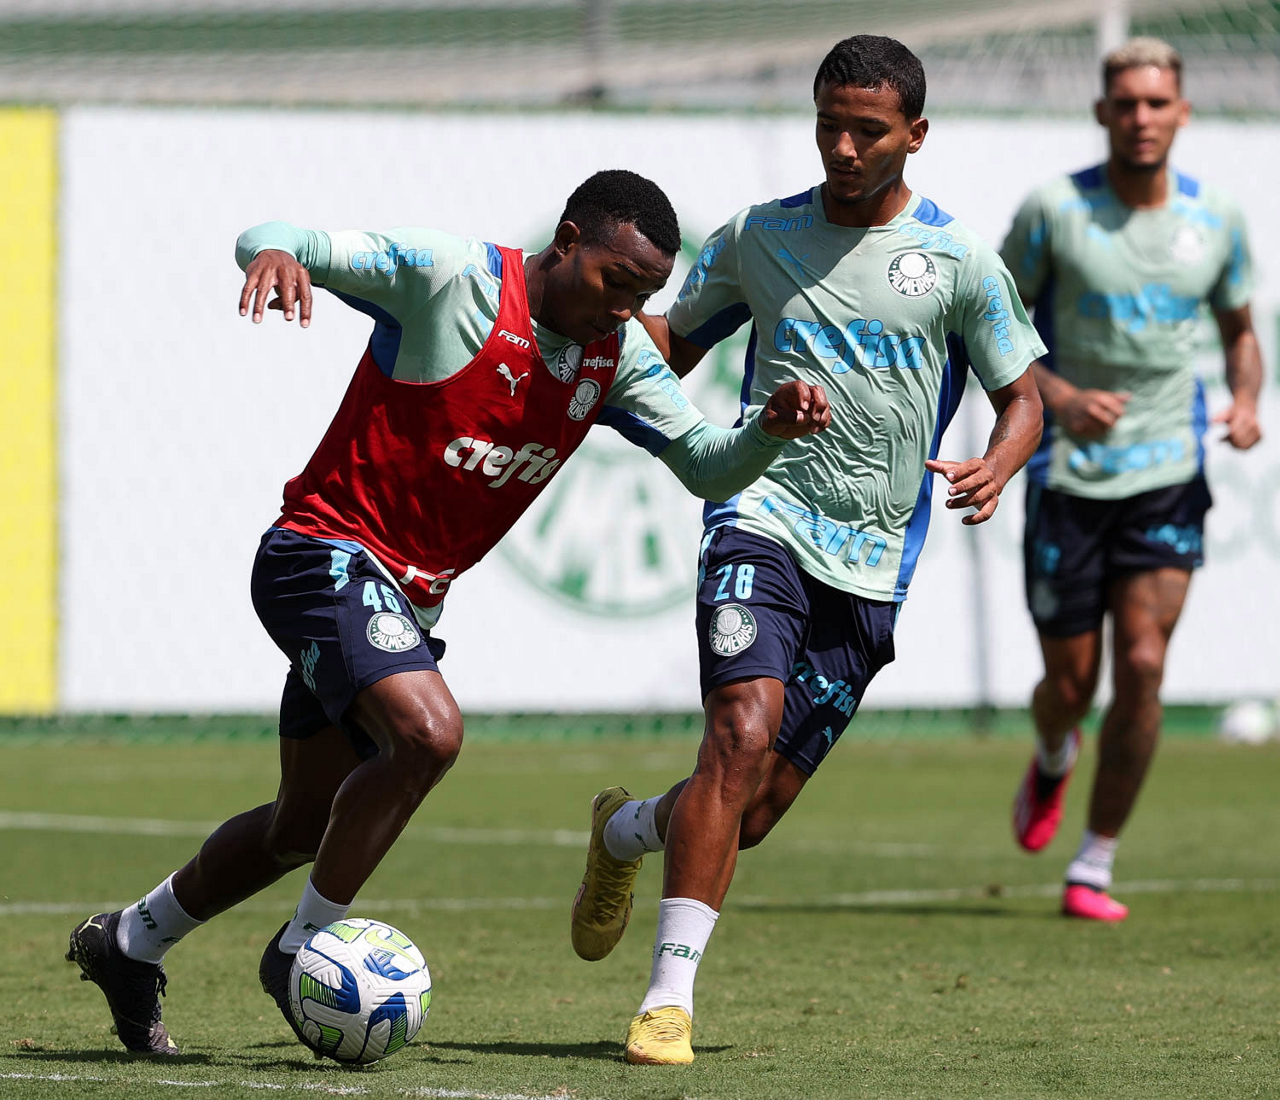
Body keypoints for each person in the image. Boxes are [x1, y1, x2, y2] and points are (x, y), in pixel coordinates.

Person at [64, 169, 832, 1058]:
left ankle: (129, 942)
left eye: (644, 295)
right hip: (320, 554)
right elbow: (282, 236)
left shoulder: (614, 354)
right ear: (568, 240)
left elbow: (704, 463)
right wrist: (272, 251)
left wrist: (766, 431)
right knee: (429, 734)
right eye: (614, 282)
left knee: (301, 826)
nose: (625, 310)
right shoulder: (451, 279)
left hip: (403, 602)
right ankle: (303, 949)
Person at [568, 38, 1046, 1065]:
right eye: (829, 124)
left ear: (915, 135)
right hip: (760, 515)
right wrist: (567, 352)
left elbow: (1023, 398)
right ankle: (667, 1001)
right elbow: (669, 345)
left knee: (749, 810)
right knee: (738, 733)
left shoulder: (959, 261)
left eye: (867, 130)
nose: (842, 146)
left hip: (870, 560)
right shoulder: (759, 236)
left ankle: (624, 831)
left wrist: (998, 463)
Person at [1000, 38, 1262, 922]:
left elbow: (1239, 331)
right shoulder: (1055, 211)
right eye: (1126, 104)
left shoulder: (1216, 218)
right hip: (1068, 478)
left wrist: (1246, 401)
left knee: (1144, 664)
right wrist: (1063, 397)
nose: (1141, 118)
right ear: (1102, 113)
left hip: (1168, 471)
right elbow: (992, 324)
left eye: (1157, 103)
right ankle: (1052, 753)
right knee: (1070, 688)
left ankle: (1095, 862)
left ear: (1181, 112)